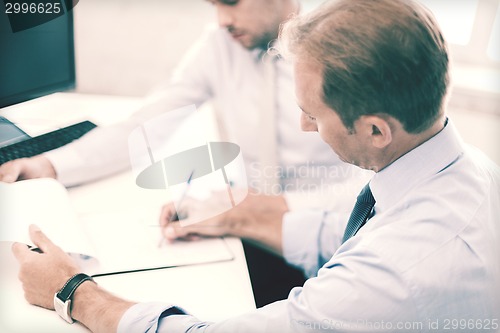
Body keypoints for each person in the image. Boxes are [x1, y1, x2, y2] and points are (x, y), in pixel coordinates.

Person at [13, 0, 500, 332]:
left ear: (374, 130)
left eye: (312, 114)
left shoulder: (389, 273)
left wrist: (72, 291)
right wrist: (243, 214)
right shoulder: (460, 166)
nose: (305, 125)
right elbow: (351, 226)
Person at [2, 0, 369, 307]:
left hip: (339, 238)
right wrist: (50, 164)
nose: (222, 20)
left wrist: (272, 209)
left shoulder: (344, 49)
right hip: (251, 234)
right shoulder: (222, 44)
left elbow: (379, 171)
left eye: (230, 2)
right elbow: (147, 124)